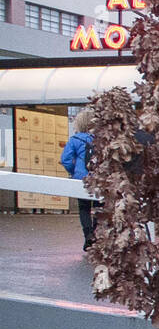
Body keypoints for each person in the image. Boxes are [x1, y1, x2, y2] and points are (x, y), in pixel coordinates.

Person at [60, 106, 98, 251]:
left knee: (84, 208)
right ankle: (96, 234)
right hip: (99, 178)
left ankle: (88, 235)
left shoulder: (75, 140)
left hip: (81, 179)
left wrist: (74, 171)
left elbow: (66, 160)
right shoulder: (101, 140)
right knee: (99, 208)